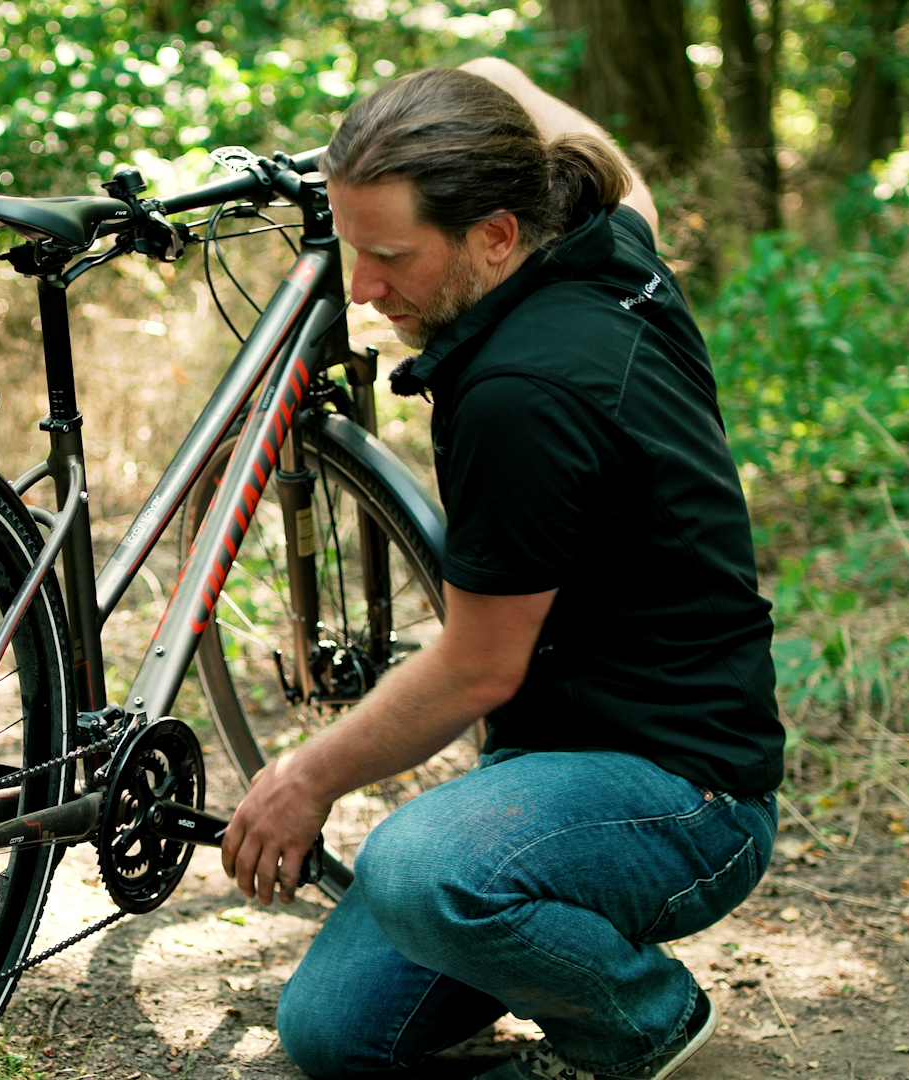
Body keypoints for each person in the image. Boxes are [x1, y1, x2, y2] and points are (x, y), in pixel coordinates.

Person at [217, 58, 784, 1080]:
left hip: (689, 801)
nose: (364, 289)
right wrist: (478, 77)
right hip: (560, 770)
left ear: (494, 233)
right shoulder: (604, 242)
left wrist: (305, 779)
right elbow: (551, 114)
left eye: (391, 256)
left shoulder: (522, 394)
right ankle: (547, 945)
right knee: (335, 1036)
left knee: (418, 870)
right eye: (353, 249)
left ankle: (650, 1026)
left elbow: (480, 669)